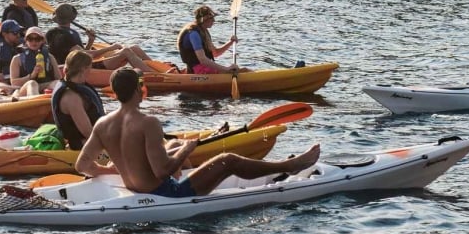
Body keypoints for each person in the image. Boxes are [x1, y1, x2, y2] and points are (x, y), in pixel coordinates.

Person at [76, 68, 320, 198]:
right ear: (140, 90)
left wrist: (117, 170)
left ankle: (282, 167)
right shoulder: (147, 122)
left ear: (115, 93)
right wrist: (186, 148)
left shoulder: (103, 124)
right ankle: (288, 166)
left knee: (170, 148)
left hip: (136, 190)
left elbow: (82, 165)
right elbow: (162, 172)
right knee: (227, 160)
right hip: (167, 194)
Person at [52, 50, 107, 150]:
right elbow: (88, 133)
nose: (90, 71)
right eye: (90, 67)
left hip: (93, 137)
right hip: (81, 144)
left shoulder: (77, 86)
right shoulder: (71, 98)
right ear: (84, 69)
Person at [176, 4, 249, 75]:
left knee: (244, 70)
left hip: (203, 68)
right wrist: (226, 69)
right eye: (211, 18)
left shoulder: (203, 31)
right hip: (198, 71)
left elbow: (215, 53)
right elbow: (203, 60)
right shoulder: (194, 34)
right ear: (204, 20)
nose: (214, 21)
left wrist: (230, 42)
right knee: (244, 71)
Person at [8, 27, 61, 96]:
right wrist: (31, 76)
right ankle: (36, 104)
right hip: (23, 89)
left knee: (57, 83)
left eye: (37, 39)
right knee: (32, 83)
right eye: (30, 39)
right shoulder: (17, 59)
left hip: (43, 86)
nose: (34, 42)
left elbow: (58, 78)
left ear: (42, 40)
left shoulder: (50, 57)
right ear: (26, 41)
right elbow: (14, 83)